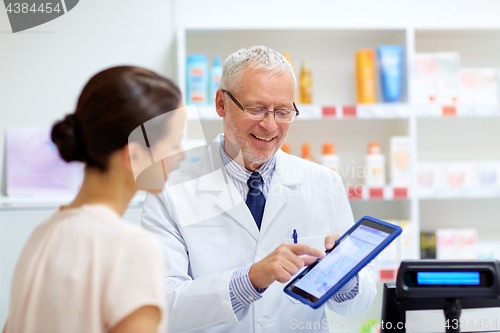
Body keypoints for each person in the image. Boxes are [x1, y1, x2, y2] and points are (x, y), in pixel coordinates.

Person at [141, 46, 376, 332]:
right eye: (256, 109)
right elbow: (162, 304)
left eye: (283, 112)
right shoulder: (171, 194)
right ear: (221, 104)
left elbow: (358, 302)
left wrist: (345, 276)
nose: (270, 125)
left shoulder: (323, 183)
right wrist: (249, 281)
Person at [3, 66, 186, 333]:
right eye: (174, 143)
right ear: (134, 156)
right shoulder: (131, 248)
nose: (181, 154)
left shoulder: (40, 235)